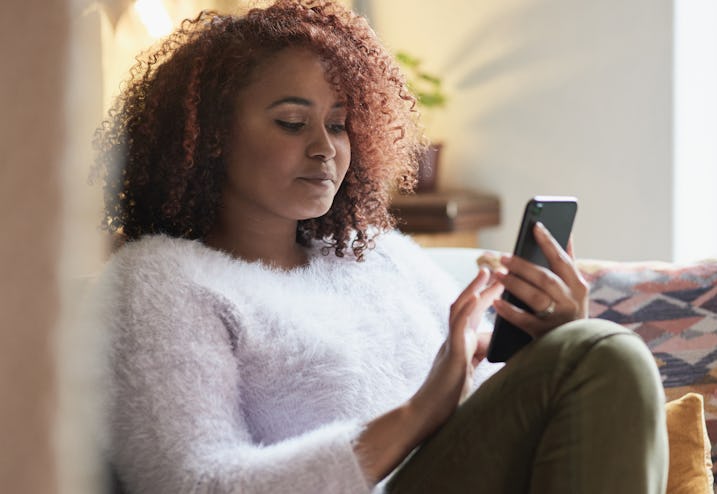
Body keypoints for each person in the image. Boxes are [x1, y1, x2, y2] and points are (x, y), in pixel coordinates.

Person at [90, 1, 669, 492]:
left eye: (339, 124)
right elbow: (197, 483)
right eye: (293, 122)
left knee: (598, 348)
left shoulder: (378, 256)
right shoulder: (158, 282)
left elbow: (497, 415)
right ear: (208, 140)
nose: (324, 148)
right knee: (607, 353)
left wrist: (546, 347)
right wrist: (416, 415)